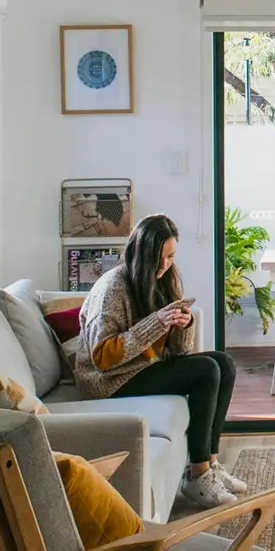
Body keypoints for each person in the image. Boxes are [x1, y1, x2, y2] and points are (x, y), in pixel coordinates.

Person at [75, 212, 246, 509]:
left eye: (171, 256)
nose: (166, 265)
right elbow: (102, 357)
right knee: (206, 370)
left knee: (224, 364)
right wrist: (155, 323)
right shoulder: (112, 287)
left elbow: (178, 353)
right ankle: (197, 475)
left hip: (140, 369)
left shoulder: (164, 278)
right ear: (143, 253)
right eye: (160, 258)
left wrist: (183, 324)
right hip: (108, 382)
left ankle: (211, 463)